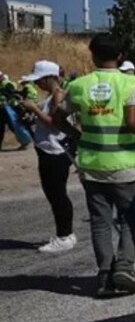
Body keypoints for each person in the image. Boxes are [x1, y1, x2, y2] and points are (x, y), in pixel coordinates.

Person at [54, 34, 135, 297]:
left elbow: (58, 119)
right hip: (123, 164)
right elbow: (134, 121)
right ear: (120, 56)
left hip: (91, 164)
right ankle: (124, 267)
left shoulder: (79, 85)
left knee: (100, 221)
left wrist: (79, 137)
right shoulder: (134, 83)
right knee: (129, 217)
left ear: (92, 56)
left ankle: (104, 276)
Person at [17, 61, 76, 253]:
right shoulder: (51, 97)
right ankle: (64, 234)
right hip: (47, 149)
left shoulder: (59, 95)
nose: (37, 85)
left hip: (56, 151)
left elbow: (55, 124)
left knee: (57, 193)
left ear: (49, 78)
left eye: (39, 80)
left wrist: (34, 109)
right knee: (53, 193)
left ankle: (64, 236)